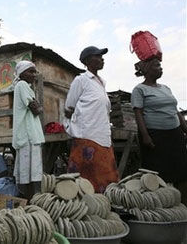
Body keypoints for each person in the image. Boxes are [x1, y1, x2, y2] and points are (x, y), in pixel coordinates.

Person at [132, 57, 187, 204]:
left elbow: (175, 110)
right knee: (157, 173)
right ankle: (160, 205)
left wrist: (185, 129)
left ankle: (182, 205)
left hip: (175, 134)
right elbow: (138, 113)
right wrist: (145, 136)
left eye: (160, 65)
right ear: (147, 70)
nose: (161, 68)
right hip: (155, 136)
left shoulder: (166, 88)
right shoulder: (139, 89)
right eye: (157, 66)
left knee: (181, 170)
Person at [64, 46, 119, 193]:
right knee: (85, 183)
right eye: (98, 56)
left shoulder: (101, 83)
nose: (102, 59)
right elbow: (69, 107)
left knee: (106, 178)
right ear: (88, 61)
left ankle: (104, 209)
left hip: (103, 137)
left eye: (102, 56)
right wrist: (74, 127)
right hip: (87, 136)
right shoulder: (81, 80)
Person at [12, 60, 45, 200]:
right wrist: (39, 107)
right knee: (30, 172)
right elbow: (36, 109)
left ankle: (28, 200)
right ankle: (31, 200)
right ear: (21, 74)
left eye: (34, 72)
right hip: (28, 135)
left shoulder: (24, 87)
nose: (33, 75)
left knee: (28, 171)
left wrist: (38, 106)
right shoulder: (22, 85)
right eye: (30, 71)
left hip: (28, 135)